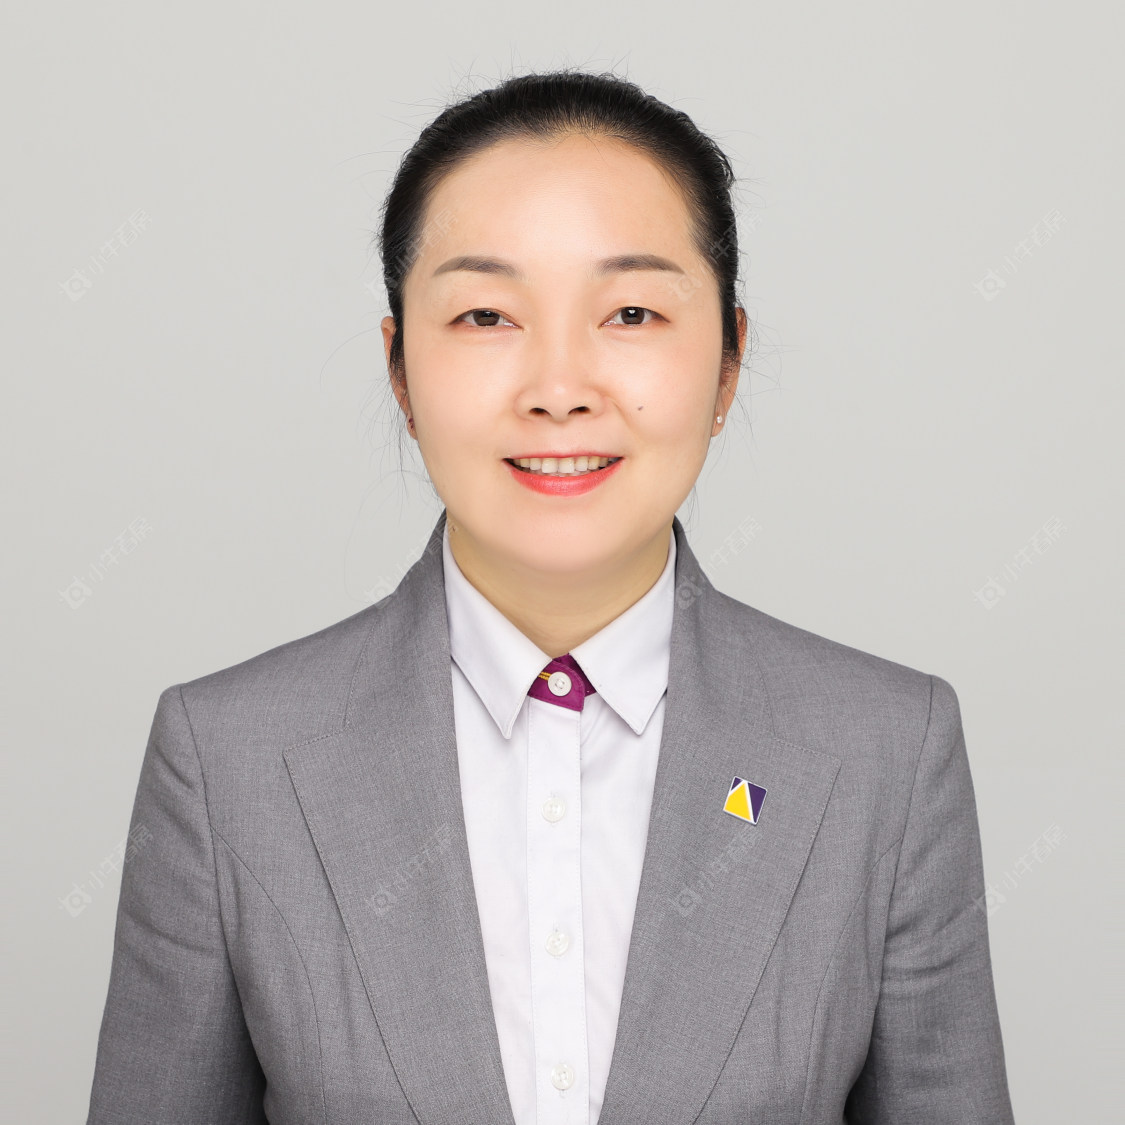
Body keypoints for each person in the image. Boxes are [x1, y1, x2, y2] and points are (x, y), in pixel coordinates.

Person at [86, 69, 1016, 1124]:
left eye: (632, 312)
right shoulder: (227, 762)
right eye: (486, 314)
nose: (560, 388)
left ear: (727, 364)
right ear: (400, 371)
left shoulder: (886, 751)